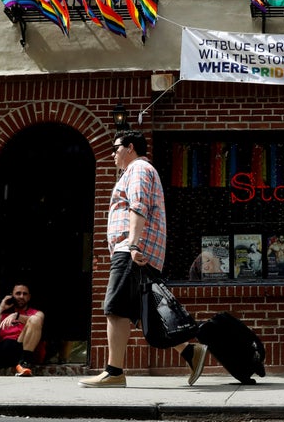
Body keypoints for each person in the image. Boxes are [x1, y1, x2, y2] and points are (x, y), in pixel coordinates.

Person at [79, 130, 207, 388]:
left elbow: (139, 205)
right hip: (137, 252)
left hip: (132, 251)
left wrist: (133, 244)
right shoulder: (141, 171)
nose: (112, 154)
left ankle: (114, 372)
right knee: (141, 312)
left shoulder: (138, 169)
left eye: (115, 148)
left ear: (130, 147)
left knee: (114, 308)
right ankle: (190, 352)